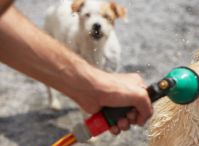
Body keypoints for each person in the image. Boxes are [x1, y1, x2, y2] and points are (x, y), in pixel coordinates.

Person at [0, 2, 153, 135]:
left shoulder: (114, 53)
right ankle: (52, 96)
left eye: (106, 17)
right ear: (78, 14)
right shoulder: (62, 23)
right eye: (87, 16)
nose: (96, 23)